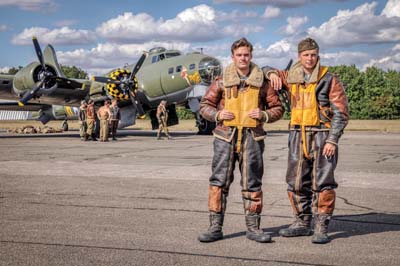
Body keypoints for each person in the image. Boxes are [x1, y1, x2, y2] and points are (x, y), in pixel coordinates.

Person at [198, 37, 284, 243]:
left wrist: (263, 116)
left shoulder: (263, 83)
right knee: (219, 182)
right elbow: (204, 105)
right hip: (225, 138)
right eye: (239, 55)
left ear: (251, 56)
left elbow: (278, 108)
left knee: (252, 182)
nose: (243, 58)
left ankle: (253, 228)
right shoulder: (221, 81)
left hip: (252, 138)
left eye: (246, 55)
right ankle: (215, 227)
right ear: (233, 57)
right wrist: (218, 115)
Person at [270, 38, 349, 244]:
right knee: (295, 181)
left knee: (323, 181)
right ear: (299, 56)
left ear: (318, 55)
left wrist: (333, 139)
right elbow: (264, 69)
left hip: (322, 134)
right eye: (306, 55)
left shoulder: (329, 78)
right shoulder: (290, 76)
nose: (310, 58)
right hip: (297, 134)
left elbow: (341, 113)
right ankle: (302, 223)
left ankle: (321, 226)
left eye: (313, 55)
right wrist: (271, 74)